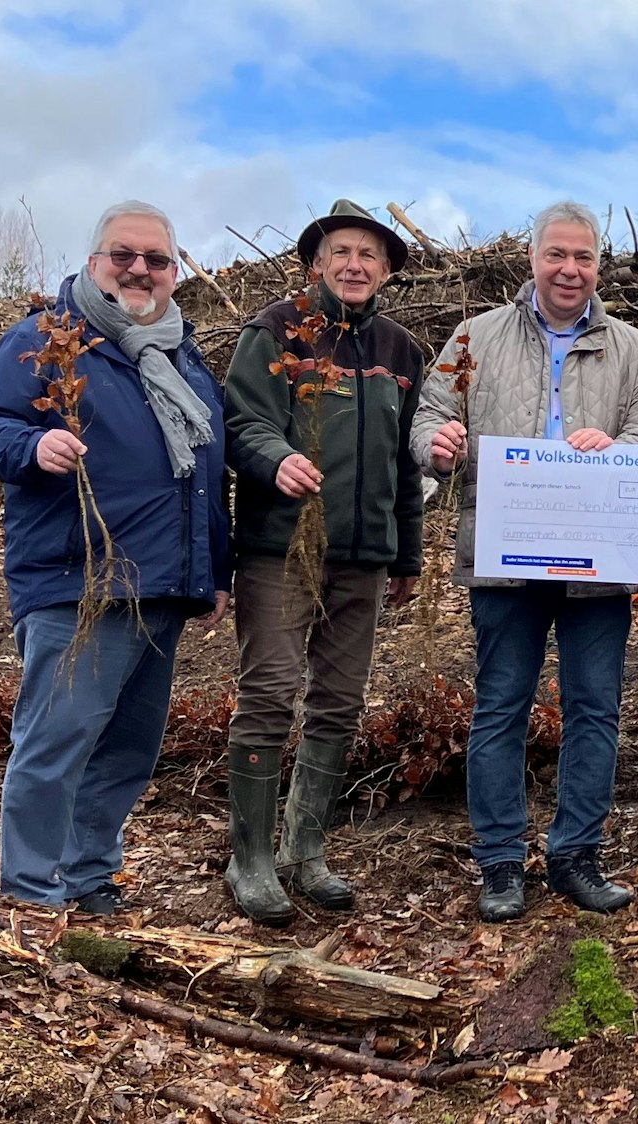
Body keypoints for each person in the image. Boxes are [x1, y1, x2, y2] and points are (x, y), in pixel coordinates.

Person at [0, 200, 229, 913]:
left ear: (175, 273)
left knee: (128, 751)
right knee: (57, 742)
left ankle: (88, 876)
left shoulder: (186, 362)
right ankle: (30, 892)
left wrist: (215, 573)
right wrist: (34, 446)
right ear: (93, 262)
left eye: (156, 260)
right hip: (76, 581)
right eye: (124, 255)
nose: (140, 270)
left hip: (164, 586)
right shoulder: (50, 341)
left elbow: (206, 476)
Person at [410, 201, 638, 922]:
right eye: (558, 255)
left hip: (596, 550)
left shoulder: (632, 348)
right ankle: (499, 863)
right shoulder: (474, 337)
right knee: (501, 706)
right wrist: (438, 445)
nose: (570, 269)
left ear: (598, 267)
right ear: (533, 259)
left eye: (584, 258)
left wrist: (618, 449)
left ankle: (576, 853)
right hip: (503, 549)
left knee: (596, 709)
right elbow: (428, 416)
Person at [221, 199, 425, 925]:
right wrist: (277, 462)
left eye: (369, 256)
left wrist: (408, 551)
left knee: (338, 701)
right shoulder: (274, 330)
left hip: (364, 556)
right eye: (342, 252)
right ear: (316, 262)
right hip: (282, 547)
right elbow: (242, 421)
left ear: (387, 271)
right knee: (271, 692)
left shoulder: (402, 351)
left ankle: (306, 849)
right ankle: (249, 858)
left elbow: (405, 460)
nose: (355, 265)